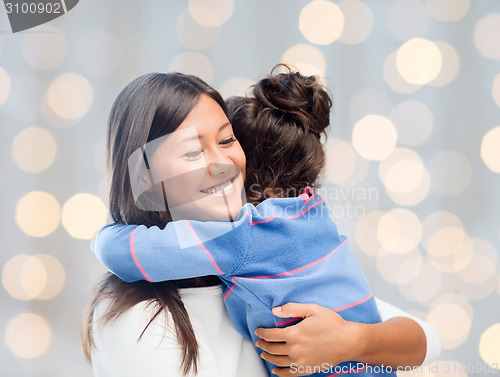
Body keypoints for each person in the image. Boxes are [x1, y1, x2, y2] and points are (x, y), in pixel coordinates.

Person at [82, 71, 440, 377]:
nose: (222, 163)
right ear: (143, 178)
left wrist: (352, 340)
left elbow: (426, 338)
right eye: (193, 151)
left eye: (226, 140)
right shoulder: (136, 315)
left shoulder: (250, 245)